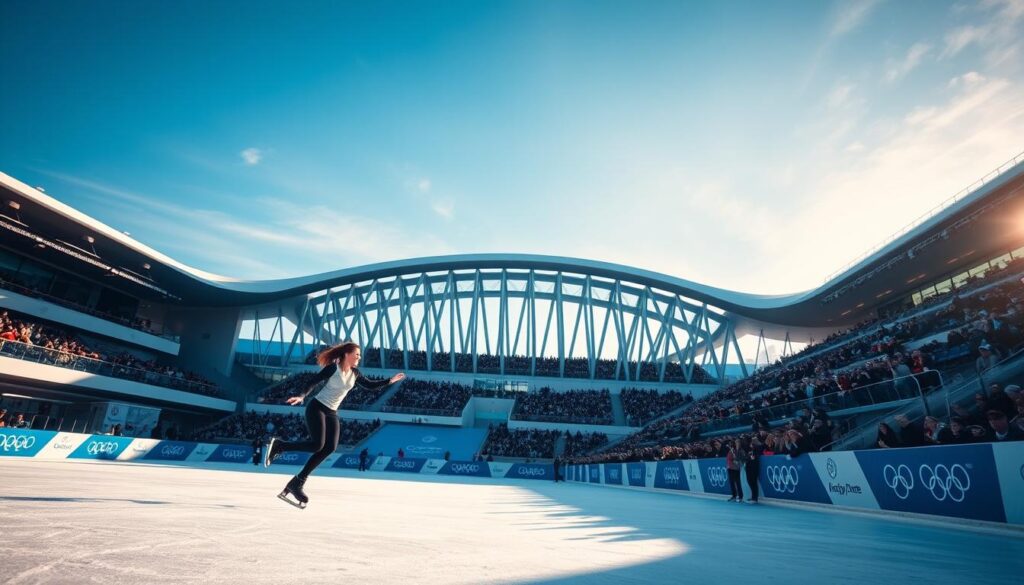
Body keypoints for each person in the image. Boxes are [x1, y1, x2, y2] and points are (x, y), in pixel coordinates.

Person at [263, 342, 405, 508]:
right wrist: (302, 396)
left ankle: (297, 482)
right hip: (317, 407)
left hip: (331, 412)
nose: (359, 357)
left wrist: (390, 381)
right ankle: (280, 446)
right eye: (357, 354)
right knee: (317, 445)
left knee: (329, 447)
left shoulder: (355, 373)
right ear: (347, 354)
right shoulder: (333, 368)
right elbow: (313, 382)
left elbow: (370, 385)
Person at [725, 438, 746, 502]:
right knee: (731, 483)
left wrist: (737, 461)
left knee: (738, 483)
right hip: (730, 468)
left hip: (736, 468)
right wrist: (730, 463)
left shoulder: (741, 451)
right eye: (736, 442)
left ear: (740, 443)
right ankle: (734, 496)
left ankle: (740, 497)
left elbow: (742, 459)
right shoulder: (732, 450)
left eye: (738, 442)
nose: (737, 443)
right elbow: (728, 458)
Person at [745, 437, 762, 504]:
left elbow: (755, 457)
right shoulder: (749, 449)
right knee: (750, 482)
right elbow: (747, 457)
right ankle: (753, 496)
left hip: (754, 468)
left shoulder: (758, 448)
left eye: (754, 441)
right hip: (748, 467)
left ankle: (755, 498)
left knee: (754, 483)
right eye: (752, 441)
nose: (752, 443)